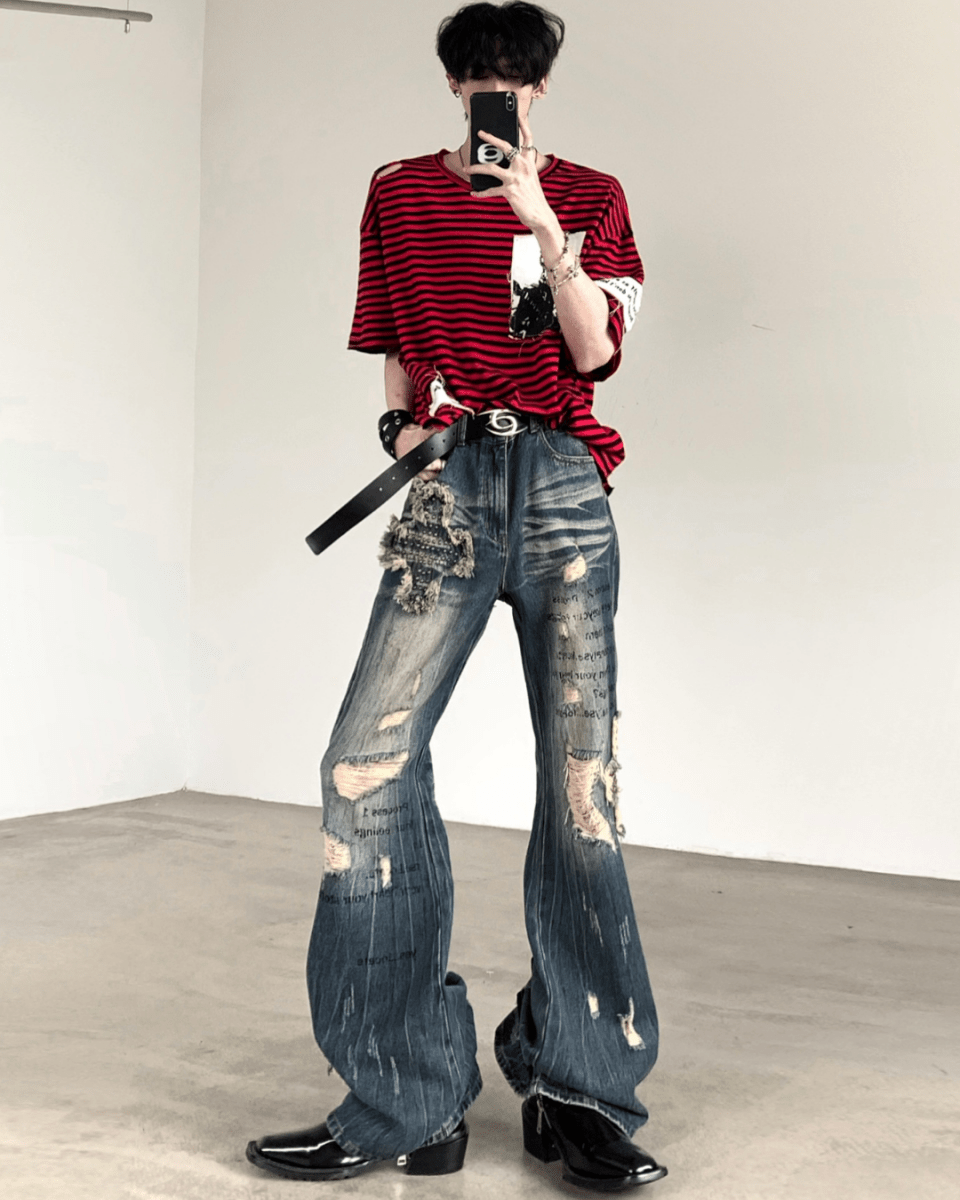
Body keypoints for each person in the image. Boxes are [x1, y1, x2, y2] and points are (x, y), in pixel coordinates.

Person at [246, 2, 666, 1191]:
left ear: (542, 89)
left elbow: (594, 353)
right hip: (449, 486)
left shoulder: (590, 194)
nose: (501, 96)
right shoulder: (398, 192)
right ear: (453, 85)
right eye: (482, 77)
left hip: (566, 488)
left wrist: (542, 222)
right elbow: (393, 333)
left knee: (581, 790)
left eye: (517, 80)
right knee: (364, 766)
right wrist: (400, 428)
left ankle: (579, 1090)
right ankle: (404, 1093)